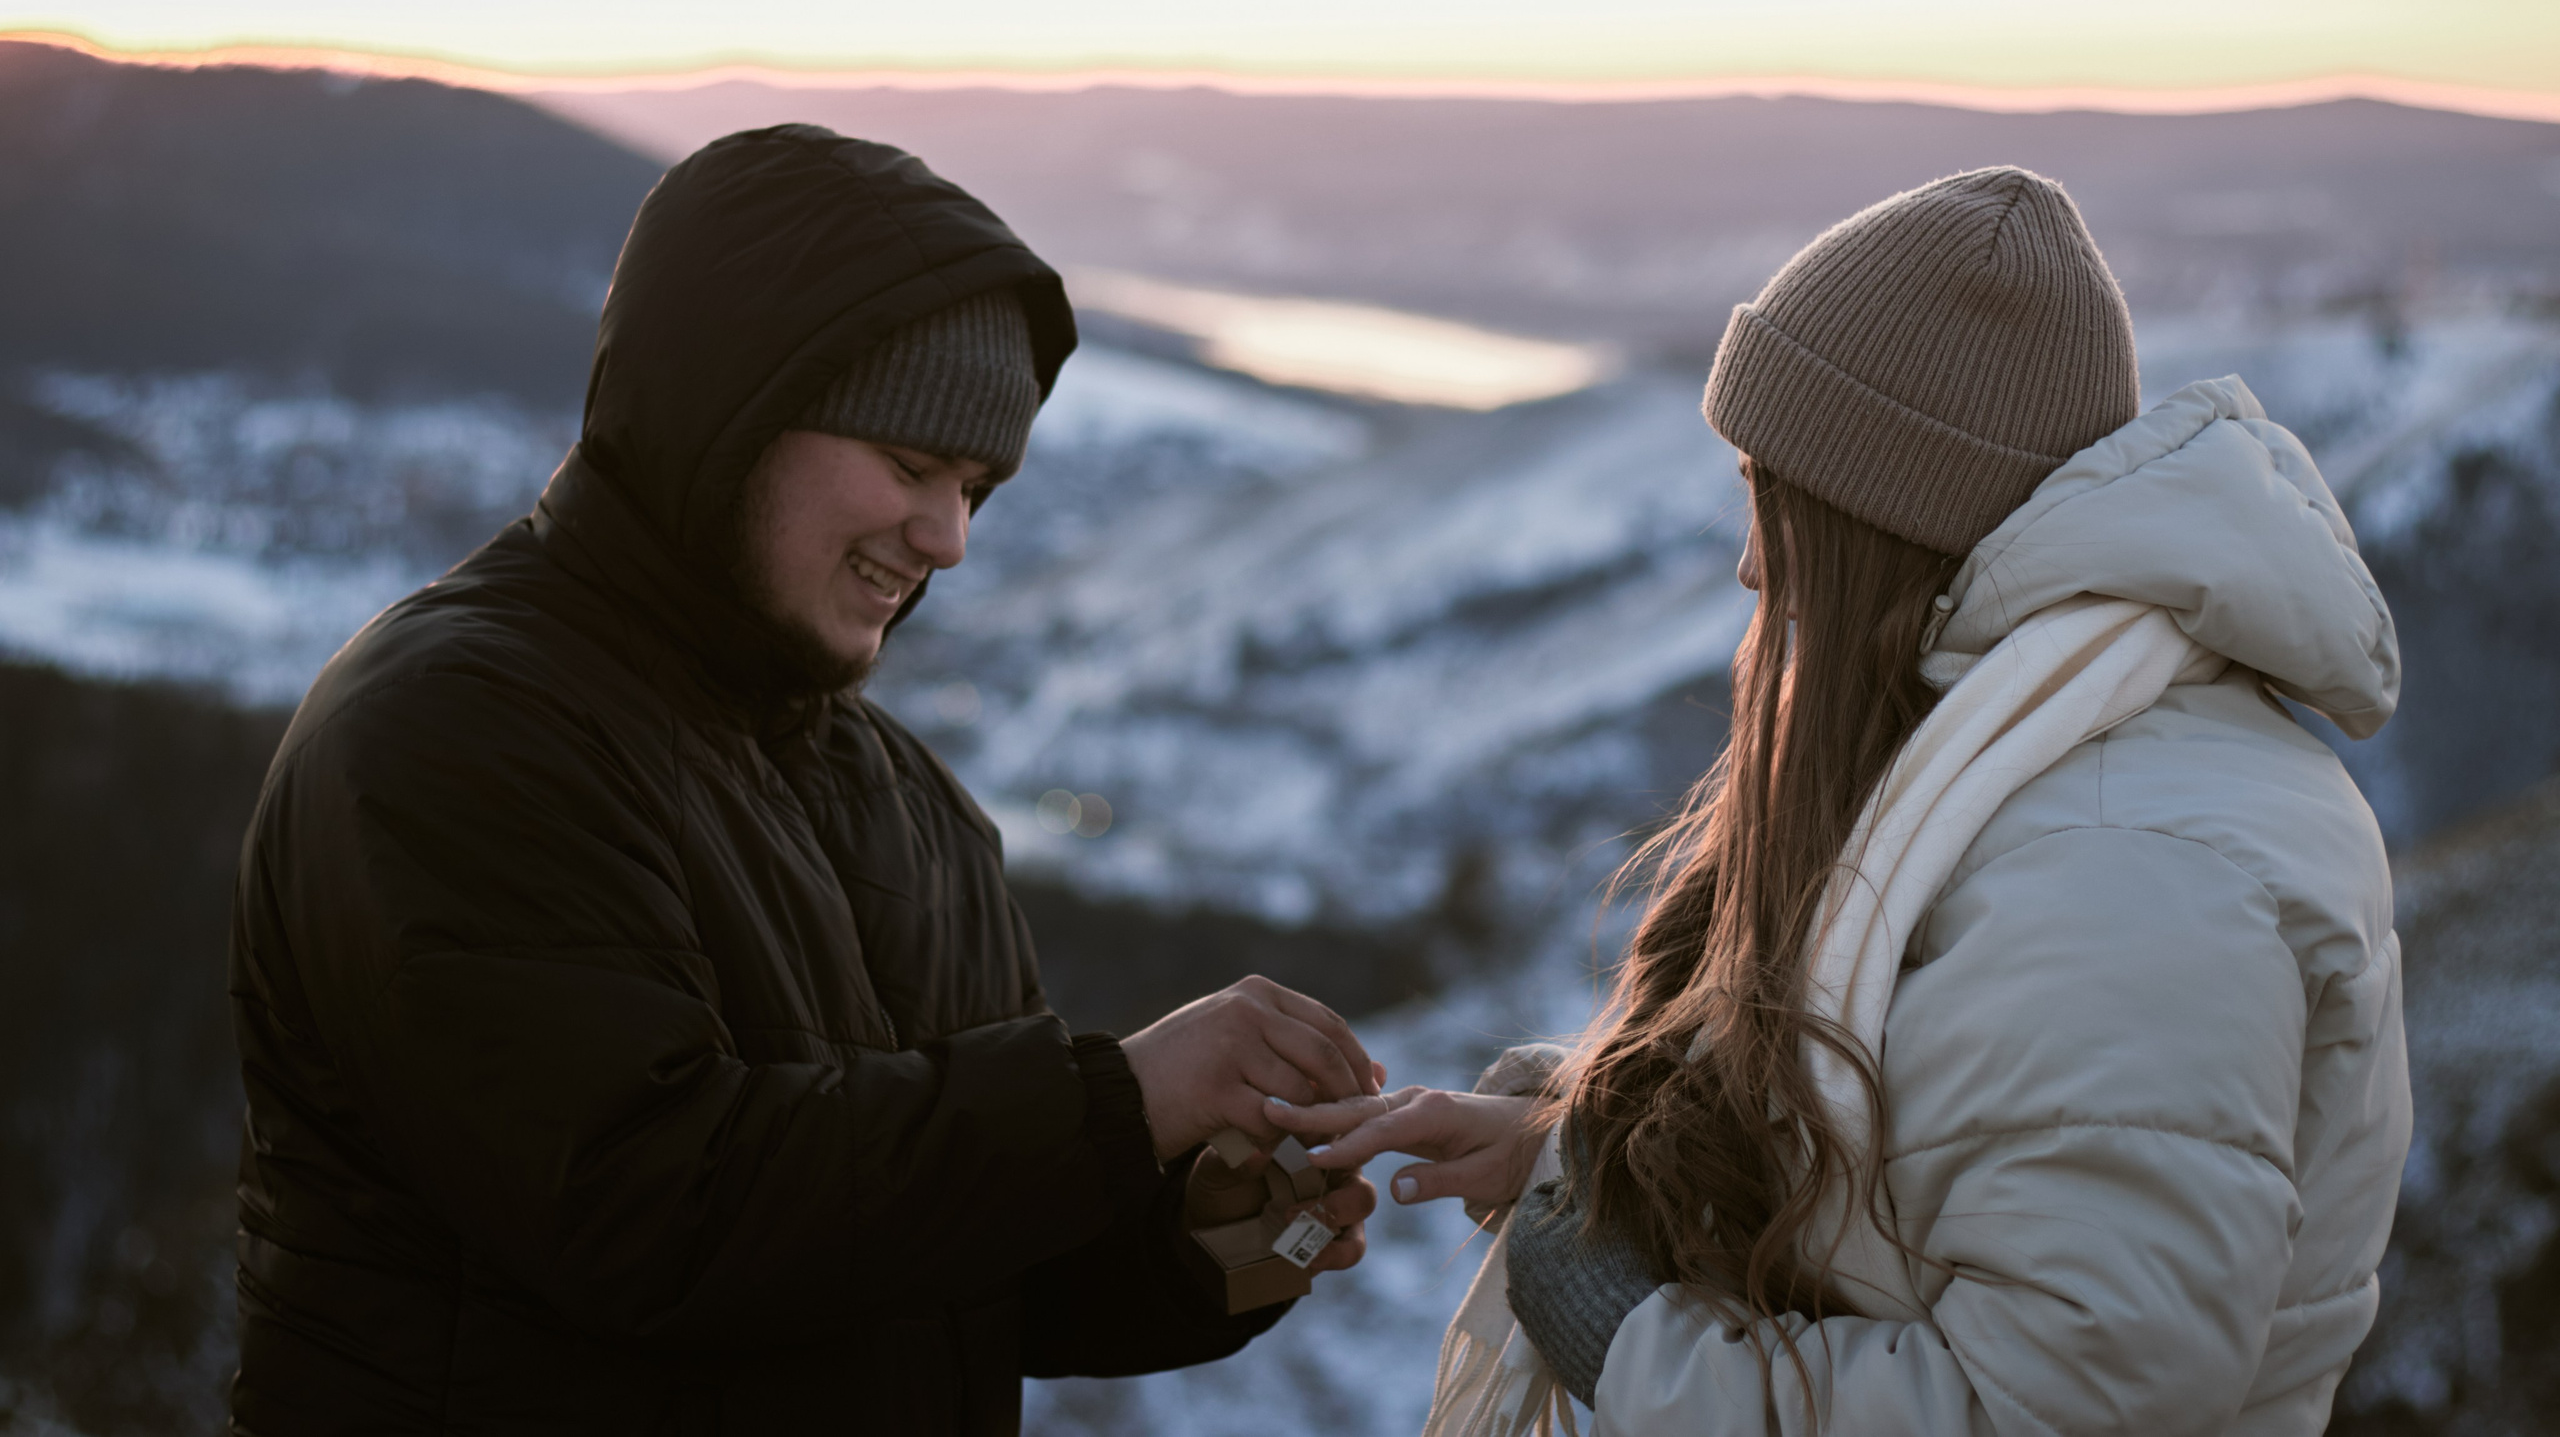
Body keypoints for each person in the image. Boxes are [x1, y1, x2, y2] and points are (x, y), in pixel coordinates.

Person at [227, 125, 1379, 1436]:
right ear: (731, 409)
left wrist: (1226, 1236)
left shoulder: (912, 808)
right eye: (908, 462)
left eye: (974, 484)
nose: (946, 535)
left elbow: (962, 1268)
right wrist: (1116, 1097)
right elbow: (649, 1210)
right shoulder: (462, 727)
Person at [1281, 167, 2411, 1434]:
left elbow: (2038, 1408)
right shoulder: (2029, 764)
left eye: (1776, 498)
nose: (1750, 558)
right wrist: (1581, 1151)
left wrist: (1628, 1339)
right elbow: (1918, 1179)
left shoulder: (2118, 857)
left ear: (1880, 518)